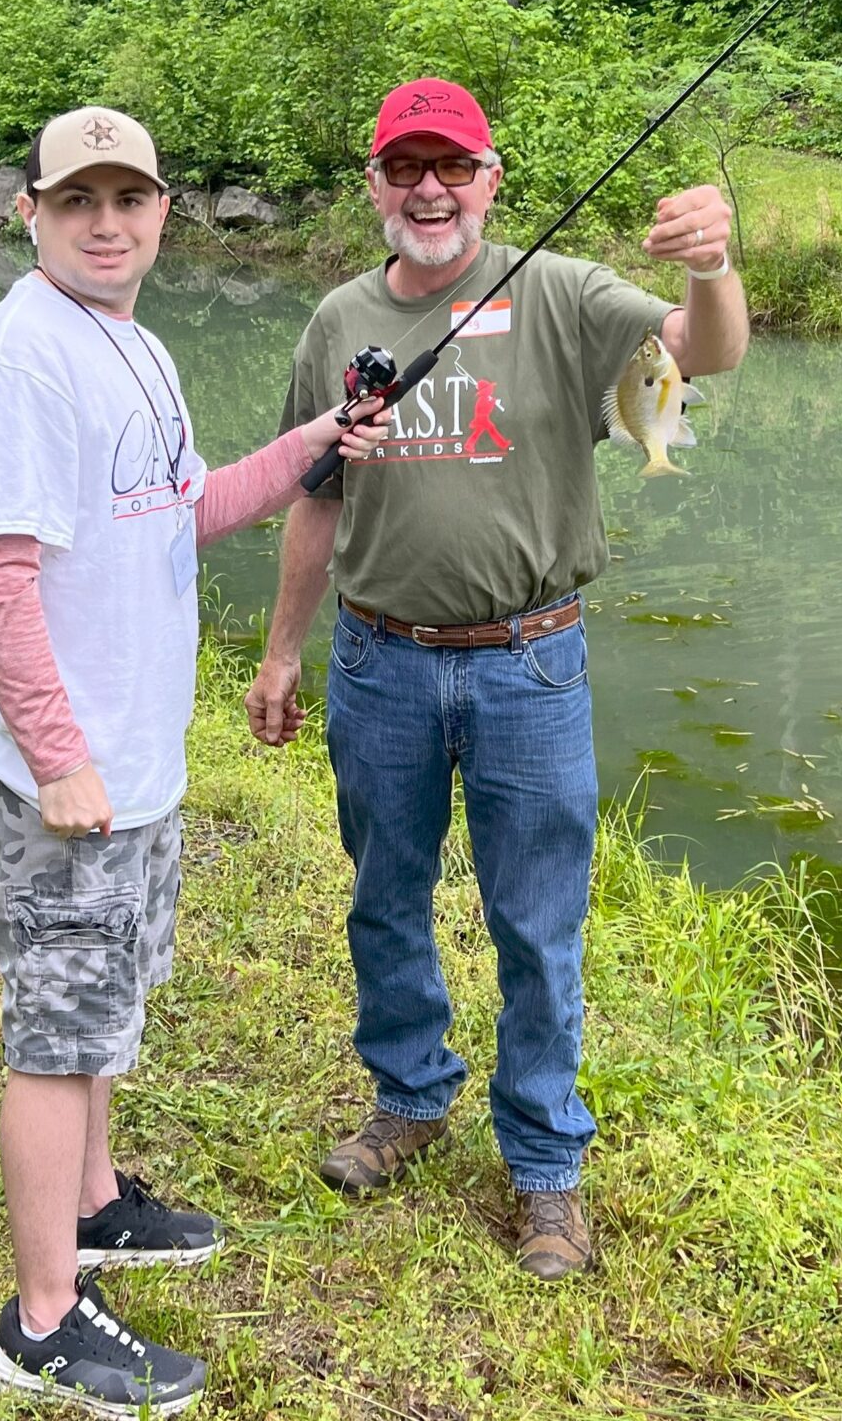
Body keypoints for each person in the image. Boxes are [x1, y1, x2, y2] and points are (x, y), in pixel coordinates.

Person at [246, 78, 749, 1279]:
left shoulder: (564, 293)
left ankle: (543, 1170)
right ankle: (407, 1100)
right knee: (384, 898)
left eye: (452, 168)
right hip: (378, 664)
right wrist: (279, 652)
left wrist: (710, 266)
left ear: (490, 179)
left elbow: (702, 354)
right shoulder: (334, 321)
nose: (430, 190)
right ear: (373, 185)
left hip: (531, 662)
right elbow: (314, 500)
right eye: (404, 169)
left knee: (536, 926)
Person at [0, 105, 386, 1414]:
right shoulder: (23, 357)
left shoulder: (131, 343)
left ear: (159, 213)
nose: (104, 222)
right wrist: (63, 761)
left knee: (103, 1009)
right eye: (75, 199)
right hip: (67, 774)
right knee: (55, 1030)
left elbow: (187, 509)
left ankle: (94, 1204)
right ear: (28, 212)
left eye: (127, 199)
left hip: (132, 758)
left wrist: (319, 444)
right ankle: (39, 1326)